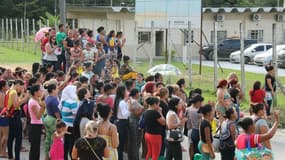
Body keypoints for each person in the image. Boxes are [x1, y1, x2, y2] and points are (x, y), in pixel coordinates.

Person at [6, 80, 29, 160]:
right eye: (21, 87)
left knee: (11, 137)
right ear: (18, 85)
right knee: (18, 138)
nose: (21, 89)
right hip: (15, 116)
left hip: (11, 116)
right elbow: (16, 104)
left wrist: (22, 94)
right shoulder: (14, 92)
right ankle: (17, 157)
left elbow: (16, 101)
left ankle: (10, 156)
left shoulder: (9, 91)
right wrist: (26, 97)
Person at [59, 84, 79, 160]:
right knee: (72, 145)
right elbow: (75, 114)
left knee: (66, 145)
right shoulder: (72, 102)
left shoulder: (65, 101)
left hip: (65, 125)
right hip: (71, 126)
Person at [44, 83, 61, 160]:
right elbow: (56, 112)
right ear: (53, 90)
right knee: (53, 139)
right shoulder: (54, 99)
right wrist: (59, 119)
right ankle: (52, 156)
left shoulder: (47, 97)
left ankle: (46, 156)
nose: (58, 90)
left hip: (47, 117)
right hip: (53, 120)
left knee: (48, 138)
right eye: (57, 89)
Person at [28, 85, 46, 160]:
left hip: (37, 124)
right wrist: (43, 107)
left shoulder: (36, 100)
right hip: (35, 125)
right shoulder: (33, 102)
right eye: (39, 90)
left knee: (36, 146)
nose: (41, 92)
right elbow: (38, 116)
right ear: (35, 92)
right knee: (35, 146)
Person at [185, 94, 203, 159]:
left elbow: (187, 121)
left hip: (190, 130)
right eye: (201, 102)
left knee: (191, 147)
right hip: (197, 130)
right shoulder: (198, 112)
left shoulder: (188, 109)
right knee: (198, 149)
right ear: (198, 102)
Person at [113, 85, 129, 160]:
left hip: (119, 123)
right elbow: (125, 115)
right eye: (126, 90)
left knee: (120, 145)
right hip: (122, 124)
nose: (127, 92)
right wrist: (130, 108)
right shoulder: (121, 102)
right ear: (123, 92)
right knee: (120, 145)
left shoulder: (119, 100)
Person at [128, 88, 144, 160]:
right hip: (134, 123)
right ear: (136, 94)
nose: (139, 94)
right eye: (138, 93)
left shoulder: (132, 101)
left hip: (134, 122)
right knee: (135, 142)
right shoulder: (133, 102)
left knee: (134, 141)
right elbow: (136, 114)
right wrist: (143, 108)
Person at [0, 80, 9, 158]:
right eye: (7, 85)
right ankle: (2, 152)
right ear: (3, 87)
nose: (8, 87)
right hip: (3, 115)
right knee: (5, 135)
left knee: (2, 134)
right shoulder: (2, 94)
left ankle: (2, 150)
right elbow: (3, 107)